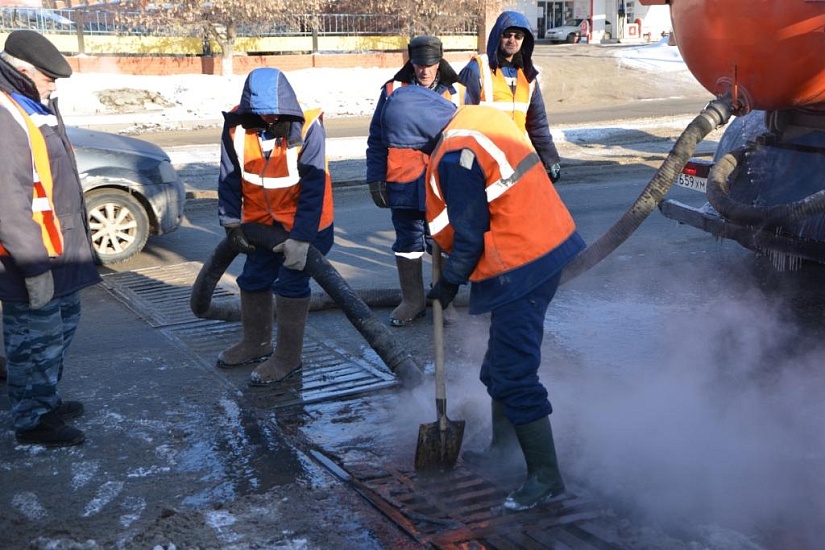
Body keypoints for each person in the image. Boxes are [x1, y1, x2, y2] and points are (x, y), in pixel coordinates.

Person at [381, 86, 586, 510]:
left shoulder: (457, 156)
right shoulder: (476, 121)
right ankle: (503, 452)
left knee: (514, 375)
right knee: (497, 370)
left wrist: (449, 282)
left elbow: (471, 235)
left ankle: (546, 478)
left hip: (522, 264)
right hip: (536, 249)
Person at [0, 30, 101, 447]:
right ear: (21, 70)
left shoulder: (35, 104)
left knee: (56, 334)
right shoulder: (6, 115)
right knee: (31, 342)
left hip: (61, 252)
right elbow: (7, 201)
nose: (54, 84)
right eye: (48, 76)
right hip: (33, 258)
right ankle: (32, 422)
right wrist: (34, 266)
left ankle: (46, 401)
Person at [216, 67, 334, 387]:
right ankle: (256, 344)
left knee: (291, 284)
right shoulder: (237, 129)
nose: (268, 118)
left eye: (273, 111)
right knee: (253, 280)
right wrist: (231, 223)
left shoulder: (308, 130)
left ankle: (288, 358)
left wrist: (301, 239)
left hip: (306, 225)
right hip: (262, 225)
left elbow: (313, 190)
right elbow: (229, 178)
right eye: (260, 112)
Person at [366, 35, 463, 326]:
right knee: (408, 240)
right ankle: (412, 300)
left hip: (442, 183)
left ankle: (443, 302)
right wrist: (376, 177)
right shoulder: (393, 90)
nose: (424, 70)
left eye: (430, 64)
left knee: (444, 240)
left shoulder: (454, 93)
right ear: (411, 62)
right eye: (419, 64)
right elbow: (377, 137)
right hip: (404, 180)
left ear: (439, 63)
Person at [459, 10, 563, 184]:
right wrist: (462, 166)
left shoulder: (527, 77)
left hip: (516, 161)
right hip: (483, 162)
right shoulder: (477, 69)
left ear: (525, 39)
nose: (512, 40)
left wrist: (550, 158)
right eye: (507, 34)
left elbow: (537, 123)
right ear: (498, 36)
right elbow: (460, 121)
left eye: (518, 35)